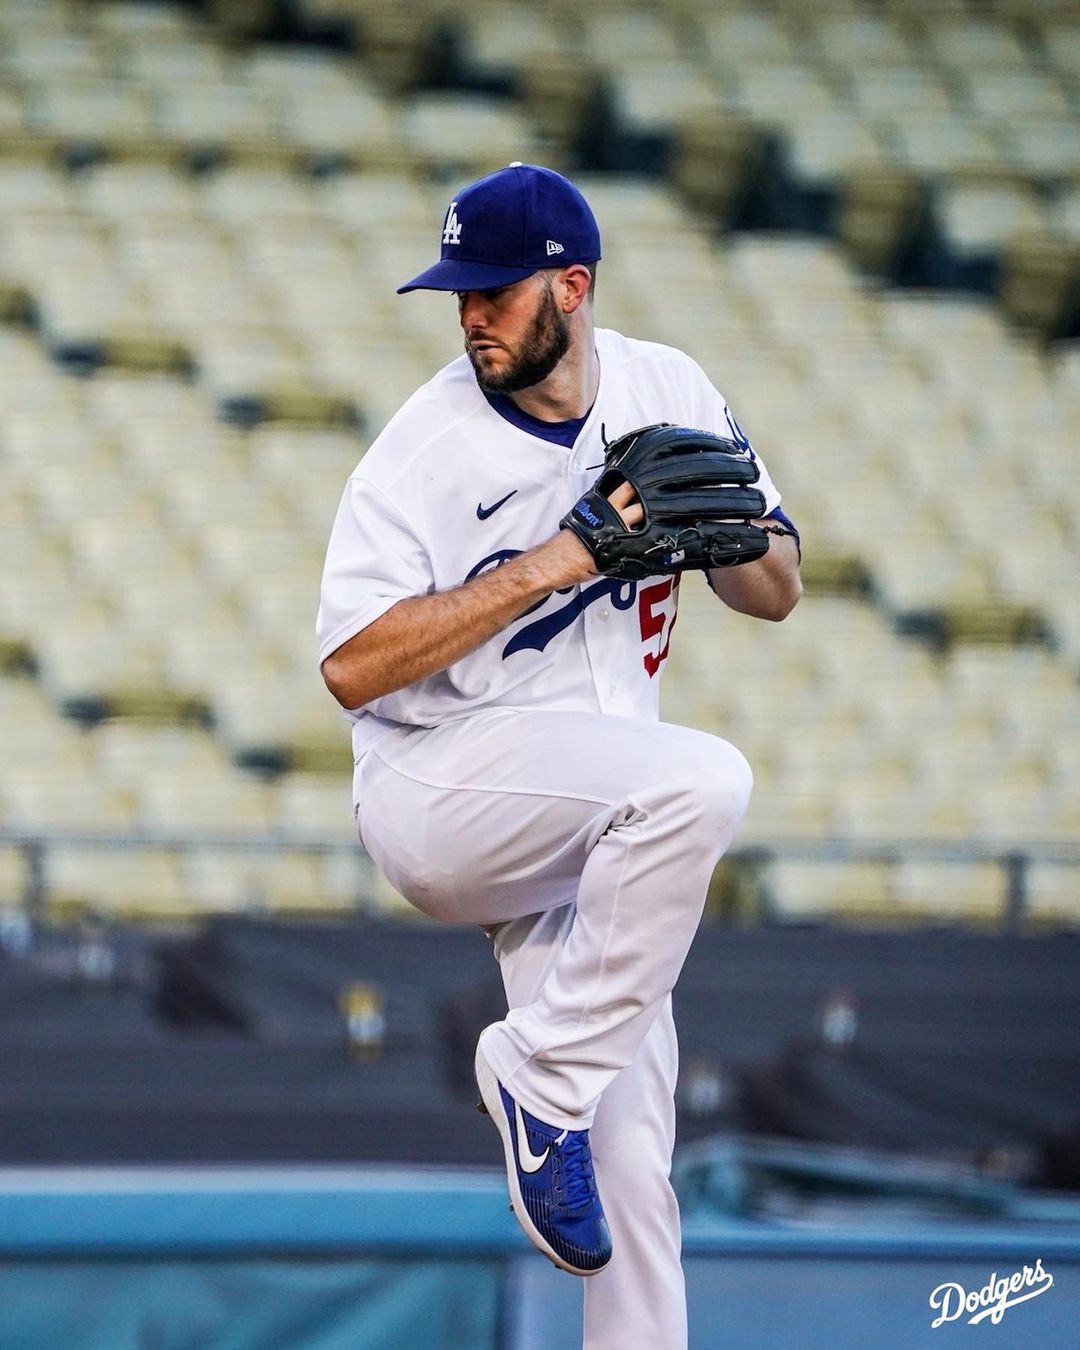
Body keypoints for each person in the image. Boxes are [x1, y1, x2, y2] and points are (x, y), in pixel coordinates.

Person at [317, 162, 801, 1349]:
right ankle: (537, 1072)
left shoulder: (665, 385)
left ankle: (552, 1084)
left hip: (595, 822)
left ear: (570, 287)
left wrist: (725, 537)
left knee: (632, 1180)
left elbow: (778, 587)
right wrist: (554, 561)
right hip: (442, 785)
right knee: (706, 779)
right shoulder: (426, 448)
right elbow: (349, 666)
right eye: (458, 292)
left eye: (494, 290)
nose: (470, 313)